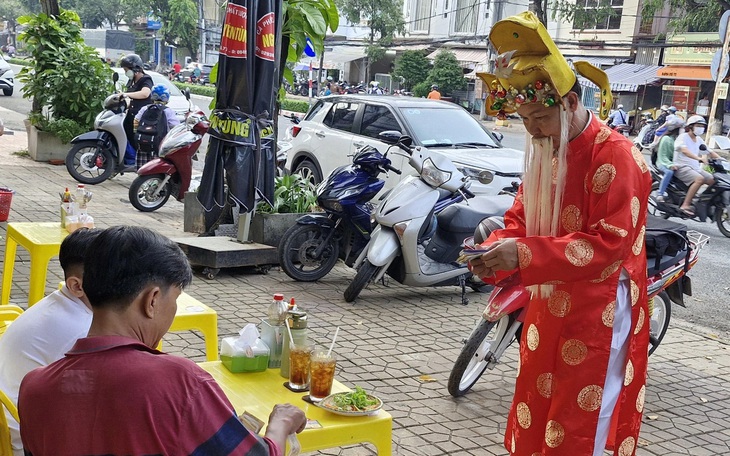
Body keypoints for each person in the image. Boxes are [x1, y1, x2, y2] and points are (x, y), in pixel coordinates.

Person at [471, 11, 652, 455]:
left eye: (539, 119)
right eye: (525, 120)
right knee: (537, 403)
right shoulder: (547, 152)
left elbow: (610, 244)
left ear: (569, 104)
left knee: (579, 422)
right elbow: (520, 218)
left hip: (599, 312)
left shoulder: (617, 156)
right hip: (549, 301)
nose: (532, 131)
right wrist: (493, 250)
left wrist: (526, 255)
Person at [18, 226, 306, 455]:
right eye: (176, 298)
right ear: (152, 300)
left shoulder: (33, 387)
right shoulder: (181, 383)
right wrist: (280, 424)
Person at [0, 228, 101, 456]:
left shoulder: (61, 304)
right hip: (21, 437)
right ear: (77, 286)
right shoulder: (81, 332)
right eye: (113, 276)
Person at [673, 115, 721, 216]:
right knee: (699, 179)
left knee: (714, 180)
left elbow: (709, 151)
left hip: (694, 168)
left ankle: (700, 201)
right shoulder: (683, 137)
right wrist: (699, 158)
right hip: (681, 167)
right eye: (698, 125)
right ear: (690, 127)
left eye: (702, 126)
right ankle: (685, 205)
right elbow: (685, 150)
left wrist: (722, 161)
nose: (701, 128)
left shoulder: (699, 140)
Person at [134, 84, 180, 168]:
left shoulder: (145, 108)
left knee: (142, 167)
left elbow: (136, 122)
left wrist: (137, 132)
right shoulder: (168, 111)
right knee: (156, 166)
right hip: (159, 144)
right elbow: (175, 126)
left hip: (143, 143)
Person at [120, 53, 153, 158]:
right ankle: (128, 158)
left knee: (136, 139)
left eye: (126, 70)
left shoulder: (146, 79)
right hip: (131, 114)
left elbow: (145, 93)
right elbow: (132, 100)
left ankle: (136, 159)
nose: (126, 73)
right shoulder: (132, 80)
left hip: (141, 117)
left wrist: (126, 94)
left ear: (136, 69)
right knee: (126, 134)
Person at [655, 118, 685, 201]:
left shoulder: (679, 140)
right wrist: (670, 165)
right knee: (669, 172)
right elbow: (662, 156)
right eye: (681, 128)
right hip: (663, 163)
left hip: (675, 163)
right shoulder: (666, 139)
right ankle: (660, 193)